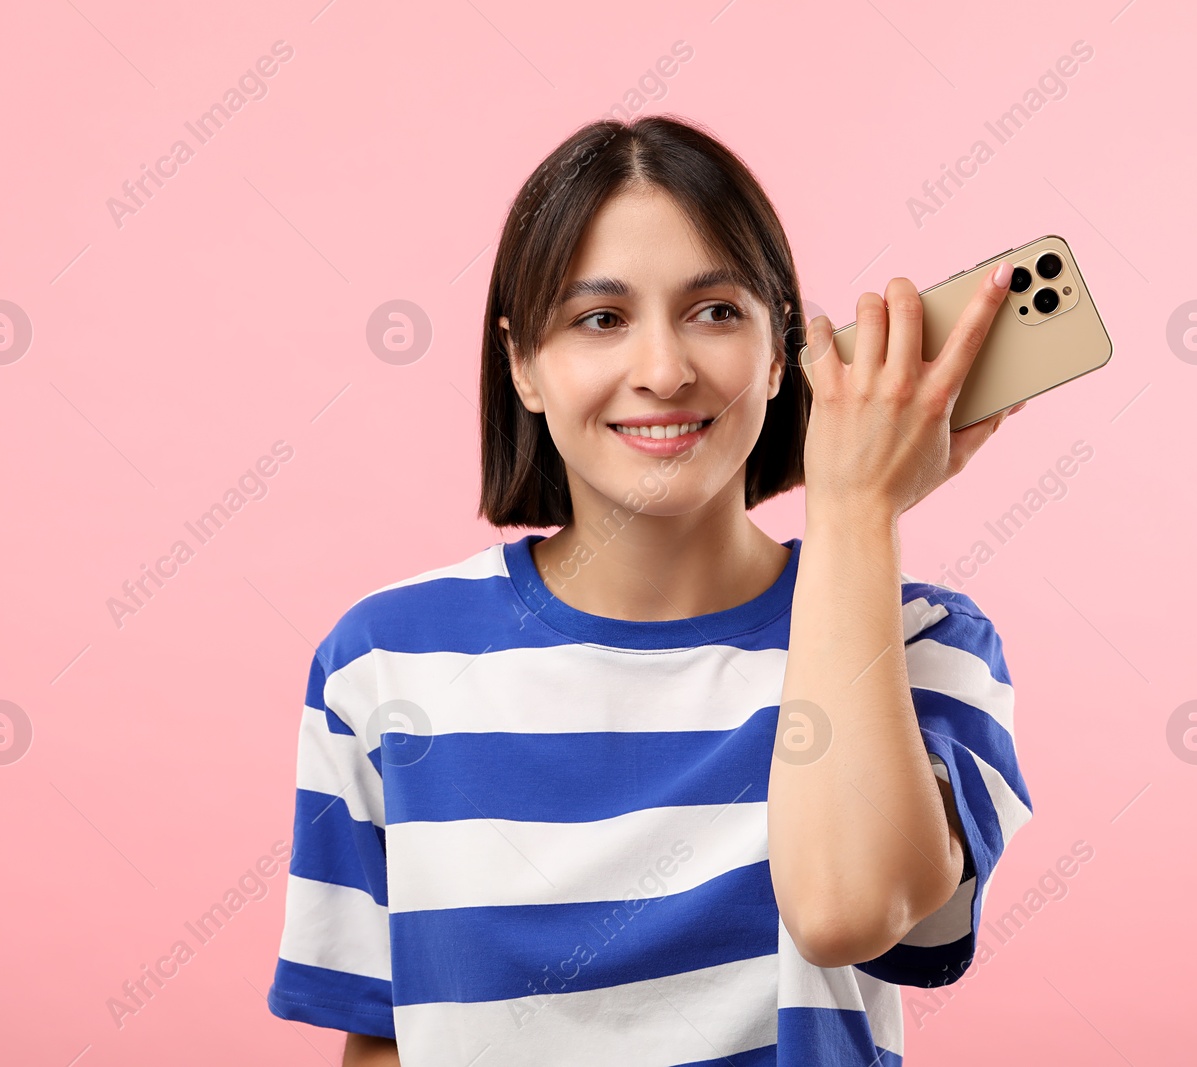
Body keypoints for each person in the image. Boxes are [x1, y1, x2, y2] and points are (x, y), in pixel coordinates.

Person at [266, 114, 1033, 1066]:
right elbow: (382, 1040)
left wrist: (856, 508)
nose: (665, 371)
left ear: (780, 347)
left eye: (716, 311)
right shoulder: (384, 663)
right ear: (522, 364)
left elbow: (846, 910)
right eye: (601, 319)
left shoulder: (924, 643)